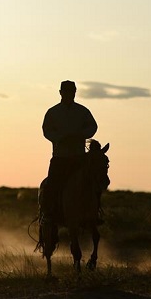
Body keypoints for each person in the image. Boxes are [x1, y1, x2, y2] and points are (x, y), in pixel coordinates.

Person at [41, 80, 98, 225]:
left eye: (72, 92)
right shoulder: (53, 112)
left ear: (75, 92)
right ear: (61, 93)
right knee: (50, 185)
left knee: (93, 183)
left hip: (79, 157)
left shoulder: (82, 111)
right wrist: (60, 138)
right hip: (60, 157)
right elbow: (46, 130)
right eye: (66, 92)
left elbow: (93, 126)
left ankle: (94, 213)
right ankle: (48, 213)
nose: (69, 94)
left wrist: (80, 135)